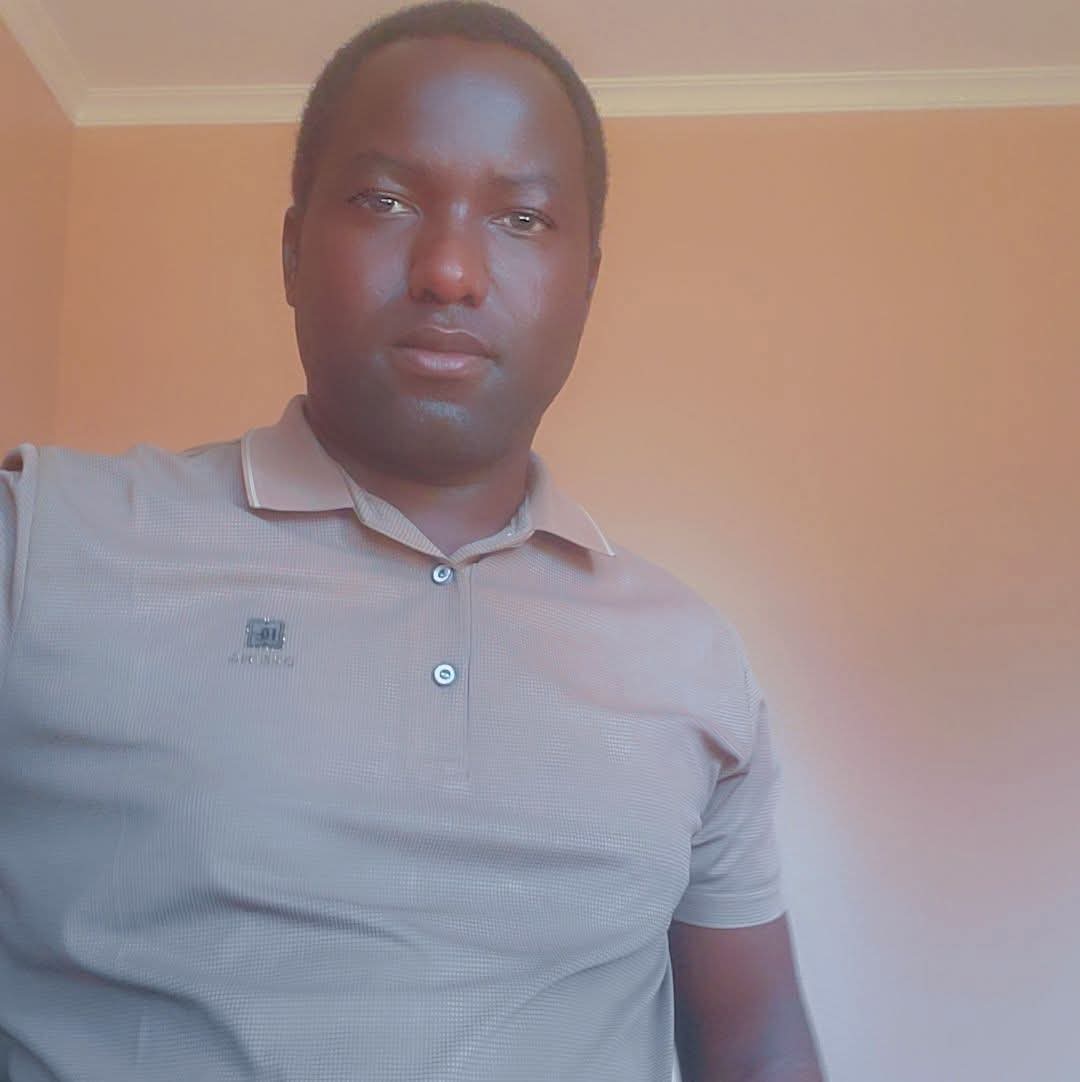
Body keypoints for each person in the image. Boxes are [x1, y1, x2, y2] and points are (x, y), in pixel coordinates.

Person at [0, 3, 823, 1080]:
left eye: (521, 218)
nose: (449, 271)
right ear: (292, 250)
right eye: (384, 200)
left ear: (587, 282)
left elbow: (756, 1044)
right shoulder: (42, 545)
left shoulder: (691, 658)